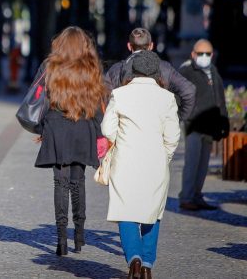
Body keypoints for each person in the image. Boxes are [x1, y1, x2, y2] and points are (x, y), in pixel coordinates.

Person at [101, 51, 181, 279]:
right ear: (157, 72)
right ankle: (147, 264)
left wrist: (121, 140)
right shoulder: (167, 98)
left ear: (133, 70)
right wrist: (163, 156)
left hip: (125, 161)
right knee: (152, 212)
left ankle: (134, 258)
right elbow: (173, 136)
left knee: (126, 211)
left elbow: (107, 129)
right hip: (155, 163)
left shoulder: (119, 94)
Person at [32, 26, 108, 256]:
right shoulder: (91, 67)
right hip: (83, 127)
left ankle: (61, 239)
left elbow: (39, 100)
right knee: (78, 181)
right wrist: (99, 134)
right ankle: (79, 236)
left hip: (57, 127)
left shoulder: (50, 66)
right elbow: (96, 104)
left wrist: (42, 128)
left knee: (60, 183)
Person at [178, 39, 229, 211]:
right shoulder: (186, 71)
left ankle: (197, 196)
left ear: (212, 55)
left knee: (203, 164)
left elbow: (219, 98)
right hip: (194, 125)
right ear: (193, 54)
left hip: (210, 125)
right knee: (192, 162)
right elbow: (179, 96)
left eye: (208, 54)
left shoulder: (213, 70)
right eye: (201, 54)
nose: (204, 57)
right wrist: (187, 115)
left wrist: (224, 121)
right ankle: (186, 197)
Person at [104, 28, 196, 121]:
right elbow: (189, 91)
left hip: (126, 129)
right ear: (151, 45)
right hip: (157, 129)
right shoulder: (165, 68)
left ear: (129, 46)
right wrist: (177, 118)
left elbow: (105, 99)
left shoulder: (116, 70)